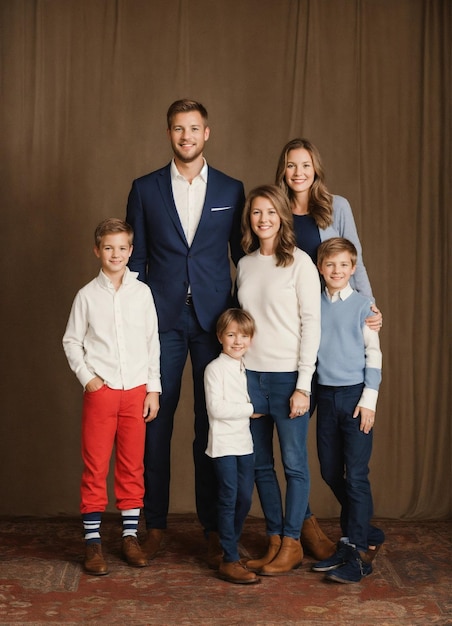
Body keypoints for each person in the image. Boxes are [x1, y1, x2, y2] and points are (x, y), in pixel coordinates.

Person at [125, 99, 245, 565]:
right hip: (163, 324)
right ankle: (153, 525)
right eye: (178, 129)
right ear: (169, 133)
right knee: (156, 423)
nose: (186, 137)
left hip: (216, 324)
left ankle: (214, 529)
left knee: (212, 424)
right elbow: (135, 265)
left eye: (194, 129)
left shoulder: (232, 190)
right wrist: (134, 326)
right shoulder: (145, 189)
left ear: (207, 133)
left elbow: (245, 258)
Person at [275, 137, 383, 560]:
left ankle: (357, 529)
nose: (298, 173)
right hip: (296, 329)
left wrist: (369, 308)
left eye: (305, 165)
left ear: (315, 169)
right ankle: (301, 527)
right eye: (290, 166)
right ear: (282, 170)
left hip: (337, 323)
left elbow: (355, 260)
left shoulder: (336, 206)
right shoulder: (277, 209)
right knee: (299, 438)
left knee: (348, 462)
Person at [62, 218, 161, 576]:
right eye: (108, 248)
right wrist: (88, 378)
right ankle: (92, 543)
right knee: (95, 465)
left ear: (131, 251)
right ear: (97, 251)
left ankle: (130, 537)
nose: (115, 254)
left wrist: (154, 388)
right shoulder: (87, 296)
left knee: (132, 465)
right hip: (102, 393)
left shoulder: (142, 293)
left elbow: (153, 342)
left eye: (122, 248)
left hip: (136, 391)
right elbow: (71, 340)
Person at [236, 184, 321, 576]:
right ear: (249, 219)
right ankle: (273, 539)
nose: (263, 219)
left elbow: (311, 325)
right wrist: (240, 378)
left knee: (294, 464)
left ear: (282, 216)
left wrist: (304, 384)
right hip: (252, 377)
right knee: (259, 465)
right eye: (256, 212)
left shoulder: (300, 263)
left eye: (270, 211)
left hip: (289, 378)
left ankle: (292, 543)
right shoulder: (246, 264)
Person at [311, 237, 384, 583]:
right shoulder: (313, 304)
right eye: (330, 265)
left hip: (356, 397)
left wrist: (368, 400)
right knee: (329, 471)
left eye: (343, 265)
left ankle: (355, 551)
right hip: (325, 396)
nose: (336, 271)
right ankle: (363, 532)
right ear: (320, 268)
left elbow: (374, 355)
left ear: (353, 269)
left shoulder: (364, 306)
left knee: (355, 476)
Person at [205, 308, 263, 585]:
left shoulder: (246, 367)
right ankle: (229, 559)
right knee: (229, 498)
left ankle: (228, 545)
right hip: (223, 445)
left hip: (244, 443)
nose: (237, 341)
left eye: (243, 336)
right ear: (220, 337)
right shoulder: (214, 369)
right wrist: (251, 408)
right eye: (231, 335)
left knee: (244, 499)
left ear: (251, 339)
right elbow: (216, 408)